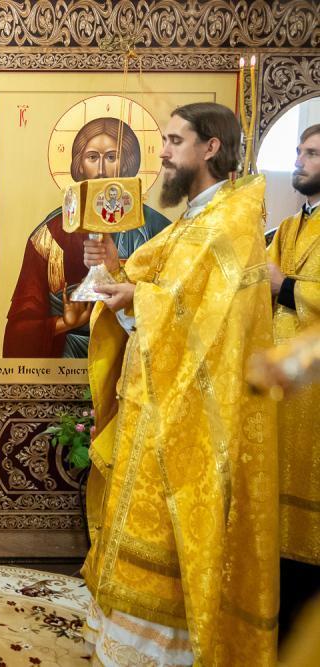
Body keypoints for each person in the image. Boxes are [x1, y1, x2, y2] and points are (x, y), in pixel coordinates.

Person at [81, 102, 278, 665]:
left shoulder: (229, 224)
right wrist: (115, 271)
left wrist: (137, 296)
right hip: (155, 406)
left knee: (174, 540)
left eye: (174, 141)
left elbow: (212, 322)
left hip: (192, 421)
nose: (163, 152)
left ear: (210, 147)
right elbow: (160, 296)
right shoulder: (194, 220)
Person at [4, 117, 172, 358]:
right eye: (92, 157)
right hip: (67, 362)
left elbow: (176, 310)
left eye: (112, 157)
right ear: (80, 165)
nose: (101, 169)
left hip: (133, 359)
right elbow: (19, 331)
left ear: (127, 163)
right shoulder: (50, 235)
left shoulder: (157, 230)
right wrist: (64, 323)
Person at [266, 123, 320, 640]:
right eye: (299, 152)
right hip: (282, 378)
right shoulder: (287, 226)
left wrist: (285, 286)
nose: (299, 161)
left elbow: (279, 283)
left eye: (312, 153)